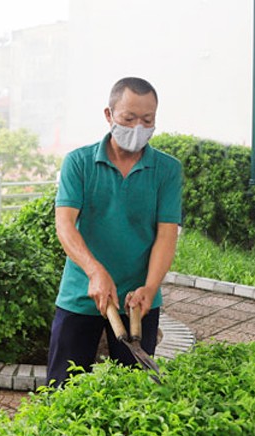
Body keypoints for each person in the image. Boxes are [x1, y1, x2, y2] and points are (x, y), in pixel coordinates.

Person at [46, 77, 183, 387]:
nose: (138, 128)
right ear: (109, 116)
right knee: (62, 388)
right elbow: (65, 224)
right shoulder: (79, 163)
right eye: (128, 118)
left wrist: (150, 287)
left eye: (147, 120)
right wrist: (95, 272)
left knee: (134, 395)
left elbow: (166, 234)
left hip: (140, 299)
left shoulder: (167, 170)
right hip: (81, 293)